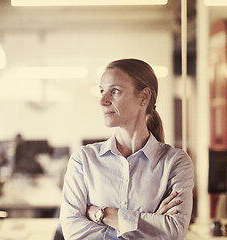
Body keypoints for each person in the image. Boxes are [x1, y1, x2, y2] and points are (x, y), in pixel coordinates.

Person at [59, 58, 194, 239]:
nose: (103, 101)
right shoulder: (83, 159)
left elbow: (174, 230)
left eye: (114, 91)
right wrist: (151, 224)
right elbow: (73, 232)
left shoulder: (175, 162)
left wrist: (103, 214)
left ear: (144, 97)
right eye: (101, 91)